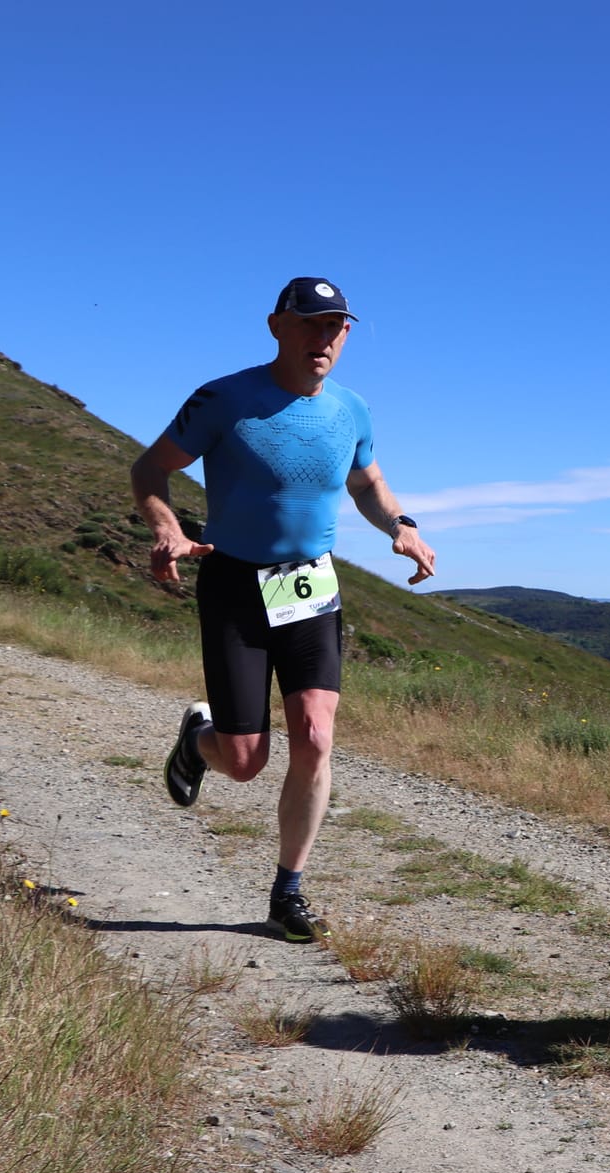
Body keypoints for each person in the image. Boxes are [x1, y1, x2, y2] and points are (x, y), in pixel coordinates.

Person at [131, 277, 437, 941]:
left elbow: (367, 480)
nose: (322, 339)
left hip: (311, 587)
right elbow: (150, 469)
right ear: (277, 326)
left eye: (336, 328)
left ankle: (287, 890)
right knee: (244, 759)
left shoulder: (352, 409)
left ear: (347, 337)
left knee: (317, 735)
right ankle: (197, 739)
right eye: (310, 325)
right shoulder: (224, 399)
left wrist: (400, 524)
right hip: (236, 585)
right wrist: (166, 527)